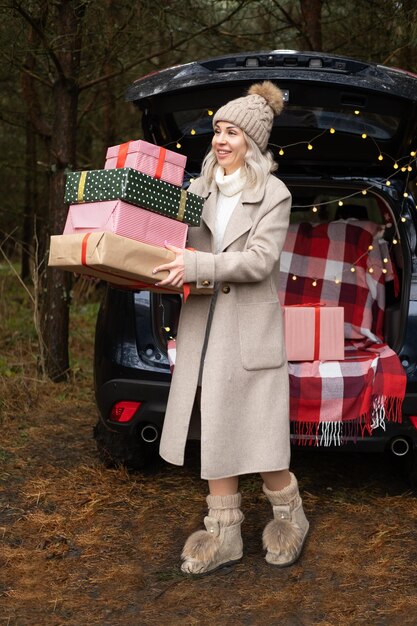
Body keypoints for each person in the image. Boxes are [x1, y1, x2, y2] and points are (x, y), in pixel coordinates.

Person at [152, 81, 309, 575]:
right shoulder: (198, 189)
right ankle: (224, 536)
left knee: (260, 430)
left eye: (233, 132)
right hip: (203, 324)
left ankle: (290, 516)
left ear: (253, 142)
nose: (221, 139)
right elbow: (170, 238)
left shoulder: (274, 194)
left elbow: (260, 262)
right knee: (216, 424)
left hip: (249, 329)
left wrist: (198, 264)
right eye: (218, 129)